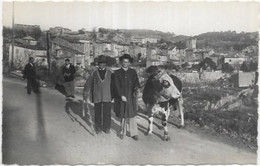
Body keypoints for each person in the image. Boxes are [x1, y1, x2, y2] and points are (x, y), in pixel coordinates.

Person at [83, 55, 114, 134]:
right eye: (100, 63)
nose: (101, 65)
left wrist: (116, 94)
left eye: (103, 63)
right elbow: (88, 83)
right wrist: (86, 91)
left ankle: (107, 127)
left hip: (107, 95)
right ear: (98, 64)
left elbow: (115, 84)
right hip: (97, 95)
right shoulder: (94, 73)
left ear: (105, 64)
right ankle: (98, 128)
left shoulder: (110, 72)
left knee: (107, 112)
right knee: (97, 112)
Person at [114, 54, 140, 140]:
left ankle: (134, 133)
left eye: (127, 62)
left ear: (129, 63)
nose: (125, 64)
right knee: (123, 114)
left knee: (132, 115)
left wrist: (136, 87)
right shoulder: (117, 72)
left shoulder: (133, 72)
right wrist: (121, 95)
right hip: (122, 97)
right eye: (124, 62)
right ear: (121, 62)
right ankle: (122, 131)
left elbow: (136, 82)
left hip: (131, 97)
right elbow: (116, 86)